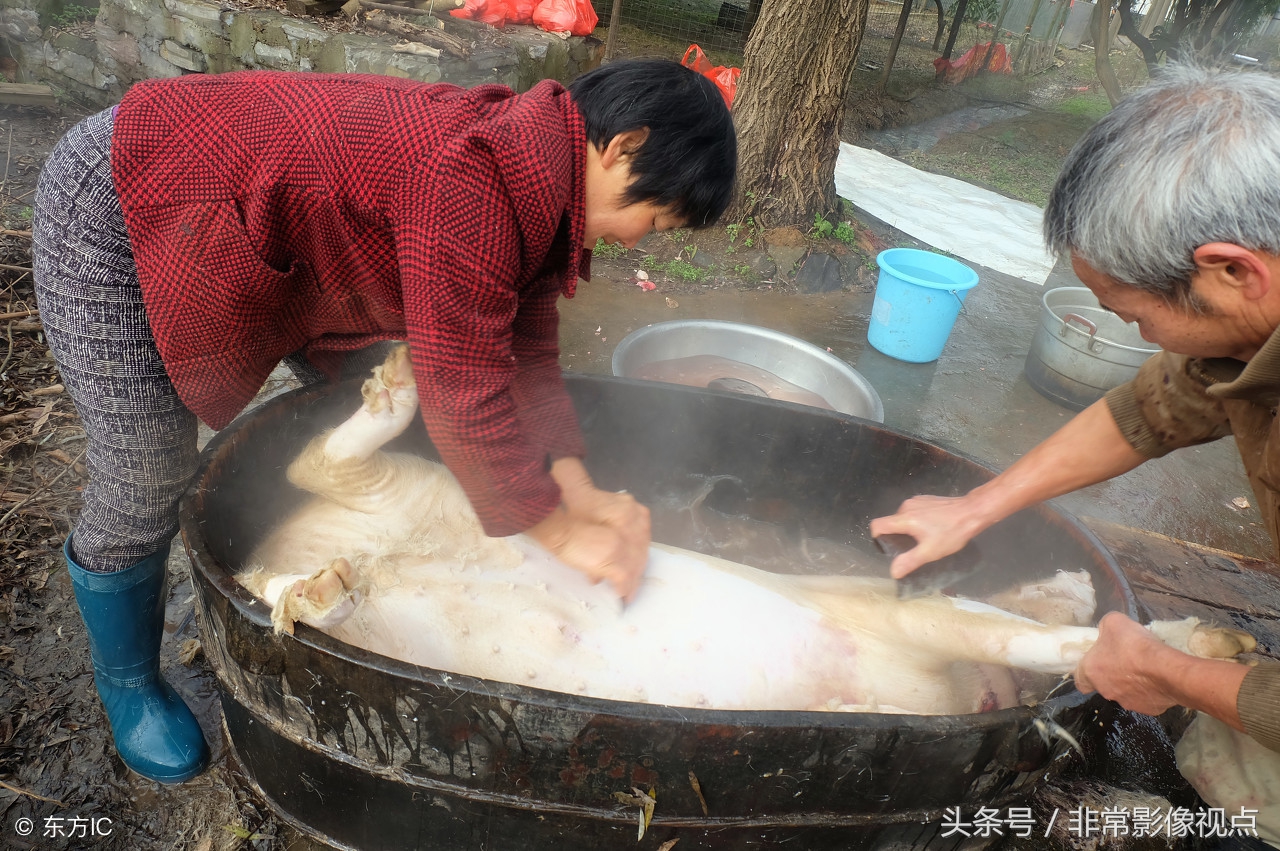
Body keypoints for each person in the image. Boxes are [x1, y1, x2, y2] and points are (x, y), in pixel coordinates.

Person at [32, 59, 737, 783]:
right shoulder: (474, 180)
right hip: (120, 199)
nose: (635, 240)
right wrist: (557, 531)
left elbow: (524, 348)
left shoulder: (534, 175)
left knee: (395, 395)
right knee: (144, 471)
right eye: (650, 218)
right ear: (621, 147)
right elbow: (464, 392)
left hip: (237, 214)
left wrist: (576, 485)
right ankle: (128, 683)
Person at [869, 62, 1280, 756]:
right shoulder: (1245, 324)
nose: (1133, 334)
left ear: (1235, 271)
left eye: (1132, 313)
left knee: (1227, 772)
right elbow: (1150, 409)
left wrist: (1167, 669)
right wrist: (978, 506)